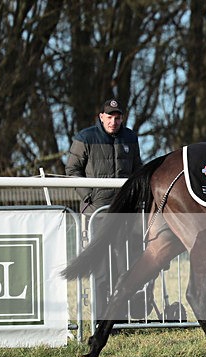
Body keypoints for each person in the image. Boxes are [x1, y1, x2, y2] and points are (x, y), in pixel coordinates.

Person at [65, 98, 142, 319]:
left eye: (117, 117)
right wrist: (90, 197)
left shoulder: (130, 138)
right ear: (101, 117)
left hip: (125, 213)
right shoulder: (85, 137)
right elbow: (72, 170)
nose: (113, 121)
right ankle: (100, 319)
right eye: (109, 117)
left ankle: (121, 318)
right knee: (101, 270)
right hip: (96, 215)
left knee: (123, 266)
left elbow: (138, 170)